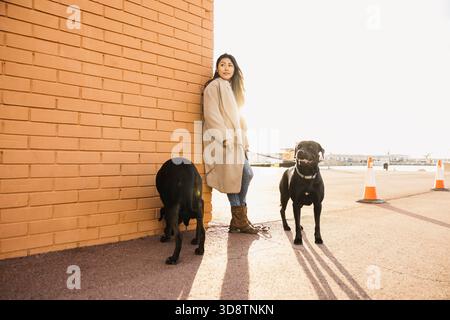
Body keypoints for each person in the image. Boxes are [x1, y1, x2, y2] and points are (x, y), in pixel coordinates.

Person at [202, 53, 259, 234]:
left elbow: (240, 121)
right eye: (222, 64)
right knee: (235, 176)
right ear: (217, 68)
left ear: (234, 70)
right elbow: (211, 114)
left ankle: (238, 219)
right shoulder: (214, 86)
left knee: (245, 174)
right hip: (223, 142)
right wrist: (224, 137)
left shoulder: (232, 90)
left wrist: (245, 143)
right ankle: (239, 219)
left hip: (237, 142)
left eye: (230, 65)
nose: (226, 68)